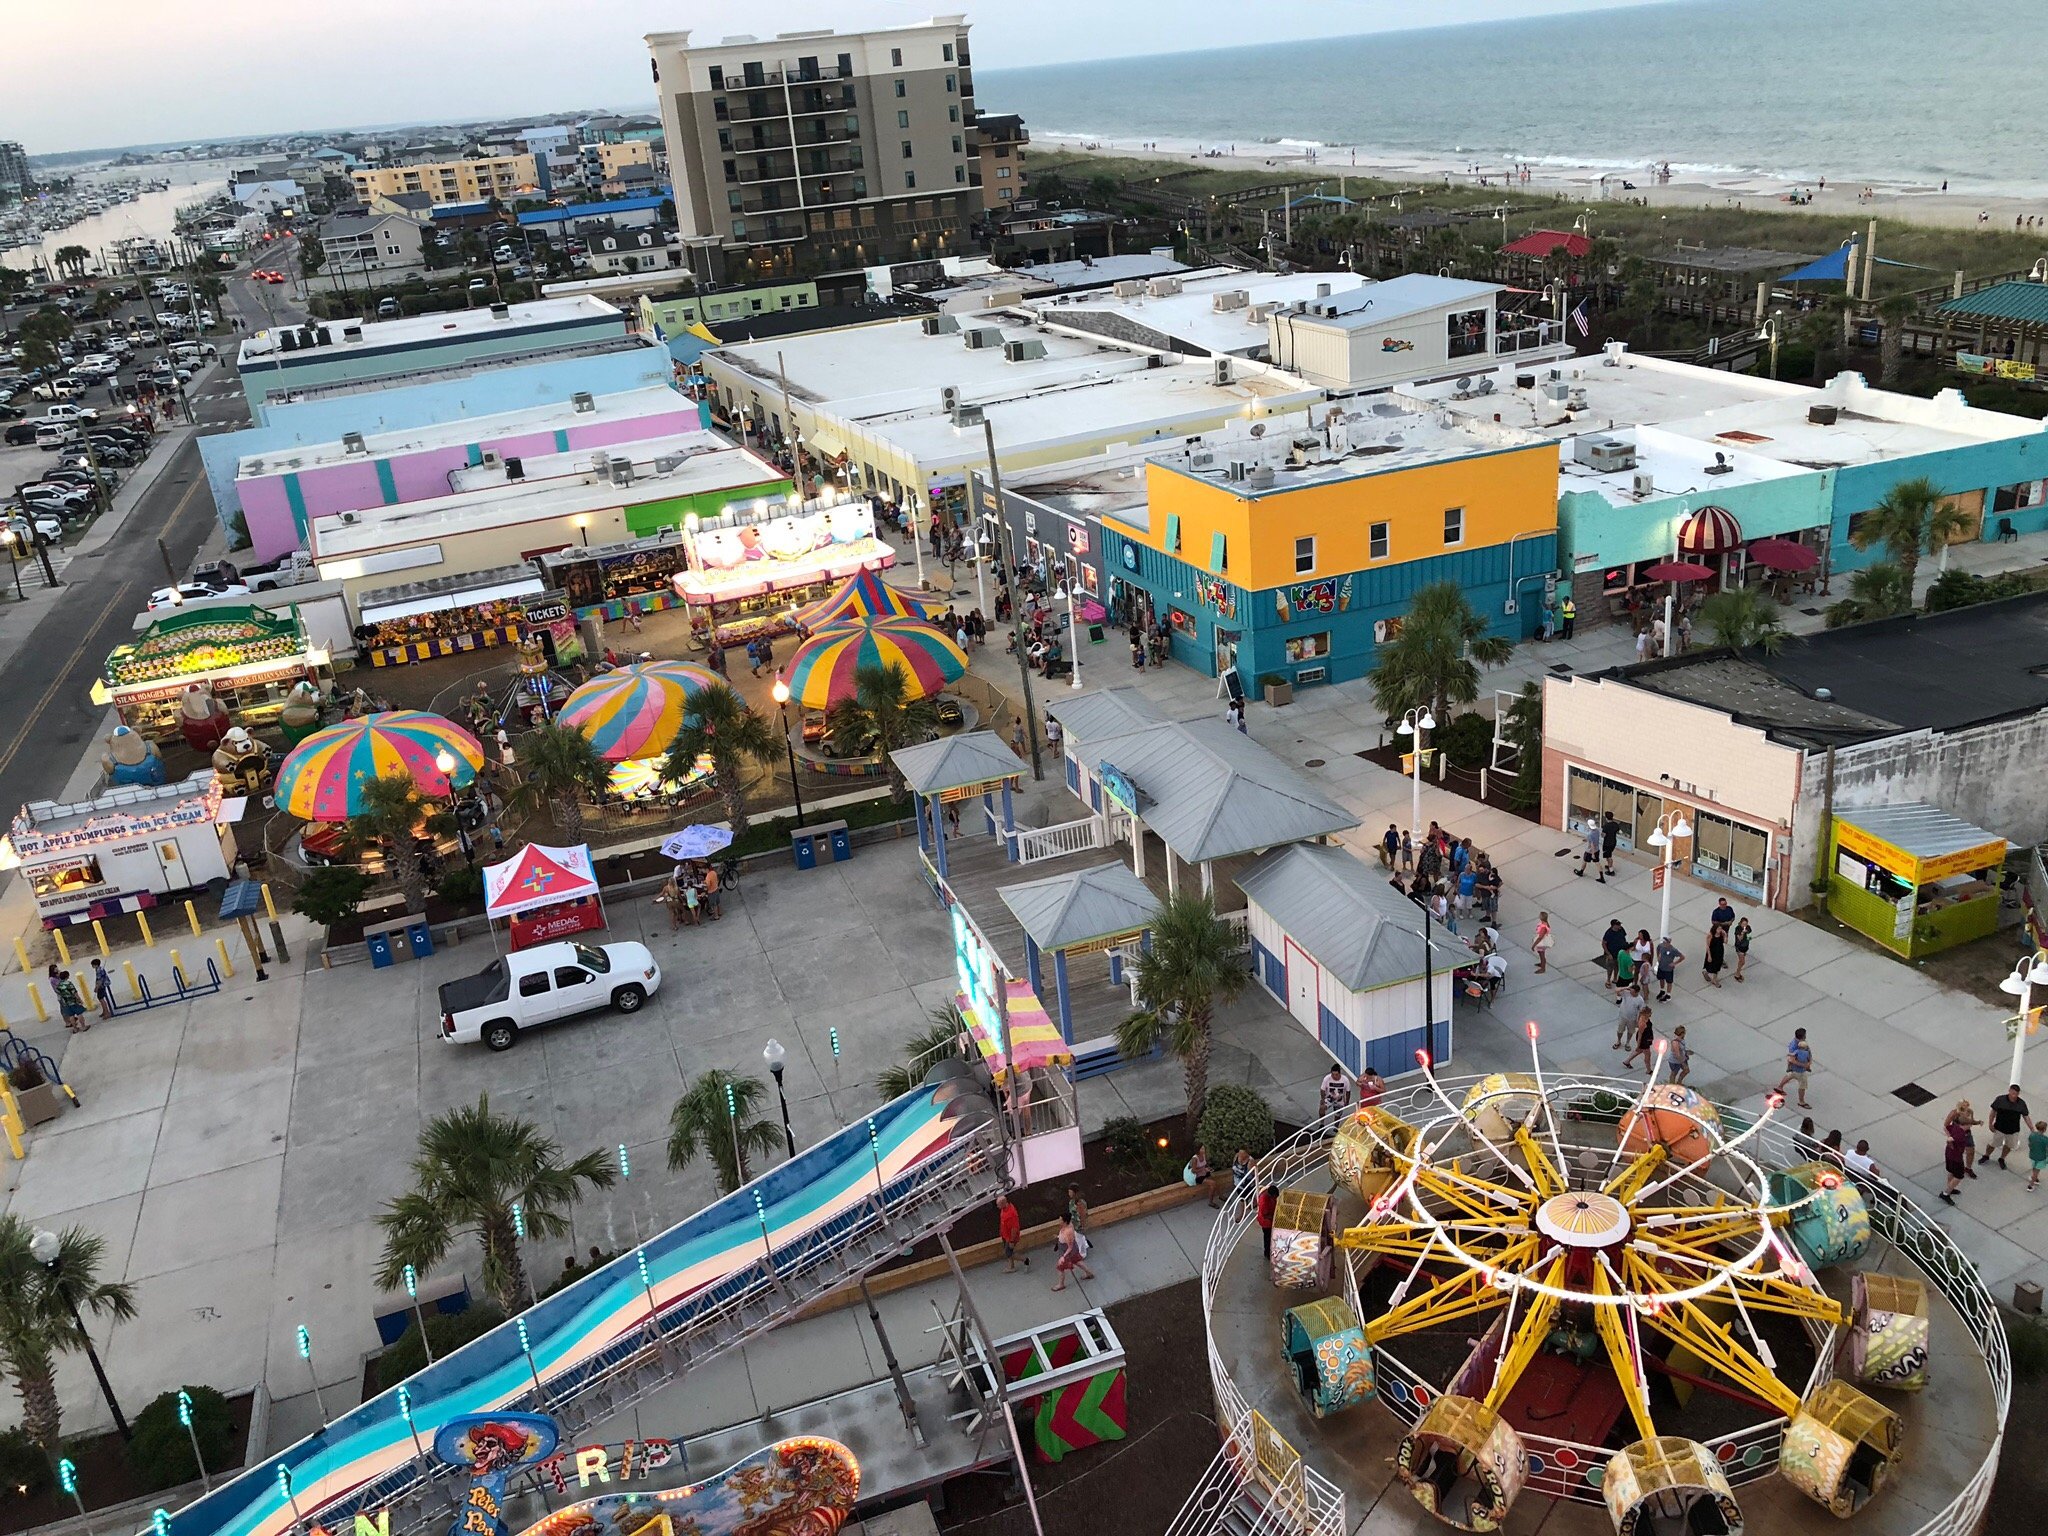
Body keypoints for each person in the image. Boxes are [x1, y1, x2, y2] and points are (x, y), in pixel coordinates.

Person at [1983, 1084, 2030, 1168]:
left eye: (2016, 1094)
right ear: (2009, 1091)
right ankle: (1986, 1155)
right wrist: (1990, 1124)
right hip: (1999, 1128)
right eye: (2013, 1093)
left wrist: (2032, 1129)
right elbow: (1993, 1112)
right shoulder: (2000, 1100)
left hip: (2013, 1130)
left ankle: (2002, 1158)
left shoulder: (2021, 1104)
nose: (2014, 1096)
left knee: (2009, 1146)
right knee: (1992, 1144)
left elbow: (2026, 1117)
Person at [1941, 1102, 1978, 1203]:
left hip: (1949, 1154)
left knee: (1951, 1172)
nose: (1971, 1125)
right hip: (1956, 1157)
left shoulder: (1955, 1127)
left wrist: (1950, 1141)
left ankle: (1950, 1188)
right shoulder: (1961, 1134)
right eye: (1970, 1123)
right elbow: (1950, 1140)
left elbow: (1947, 1129)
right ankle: (1946, 1193)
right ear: (1965, 1124)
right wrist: (1950, 1142)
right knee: (1959, 1176)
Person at [1050, 1215, 1093, 1290]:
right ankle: (1089, 1273)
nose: (1058, 1221)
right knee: (1077, 1261)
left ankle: (1061, 1284)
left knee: (1060, 1268)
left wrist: (1063, 1257)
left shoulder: (1067, 1232)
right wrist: (1058, 1237)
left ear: (1065, 1222)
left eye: (1060, 1220)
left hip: (1067, 1251)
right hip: (1070, 1250)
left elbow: (1070, 1246)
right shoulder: (1068, 1226)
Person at [1774, 1028, 1814, 1109]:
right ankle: (1801, 1101)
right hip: (1798, 1069)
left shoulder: (1799, 1043)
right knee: (1802, 1085)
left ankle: (1780, 1087)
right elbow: (1791, 1059)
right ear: (1802, 1037)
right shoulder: (1794, 1046)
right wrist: (1804, 1065)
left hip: (1794, 1069)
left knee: (1789, 1075)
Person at [1623, 1005, 1657, 1072]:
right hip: (1644, 1040)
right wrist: (1638, 1045)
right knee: (1648, 1054)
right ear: (1646, 1014)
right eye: (1650, 1013)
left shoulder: (1644, 1017)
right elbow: (1640, 1035)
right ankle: (1649, 1070)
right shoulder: (1643, 1023)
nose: (1651, 1014)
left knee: (1640, 1051)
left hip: (1647, 1037)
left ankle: (1627, 1061)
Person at [998, 1194, 1027, 1270]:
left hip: (1010, 1237)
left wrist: (1011, 1241)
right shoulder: (1004, 1209)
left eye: (998, 1205)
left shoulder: (1011, 1214)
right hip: (1005, 1235)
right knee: (1008, 1252)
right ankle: (1011, 1267)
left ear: (1003, 1203)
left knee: (1008, 1253)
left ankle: (1025, 1260)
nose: (997, 1207)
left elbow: (1014, 1228)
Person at [1614, 982, 1645, 1050]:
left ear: (1637, 992)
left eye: (1632, 992)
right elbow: (1616, 990)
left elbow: (1641, 1011)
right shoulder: (1626, 993)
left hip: (1632, 1019)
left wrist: (1639, 1021)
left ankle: (1627, 1043)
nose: (1631, 993)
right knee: (1620, 1030)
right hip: (1623, 1016)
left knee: (1630, 1031)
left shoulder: (1640, 1000)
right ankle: (1618, 1041)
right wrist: (1626, 988)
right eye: (1630, 991)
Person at [1653, 935, 1683, 1002]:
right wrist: (1658, 956)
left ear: (1669, 942)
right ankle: (1662, 990)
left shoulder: (1673, 950)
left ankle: (1668, 995)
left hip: (1668, 969)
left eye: (1665, 942)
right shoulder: (1661, 946)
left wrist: (1674, 963)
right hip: (1661, 967)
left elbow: (1682, 957)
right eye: (1663, 941)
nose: (1663, 943)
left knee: (1669, 982)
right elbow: (1657, 949)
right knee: (1661, 979)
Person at [1600, 919, 1628, 988]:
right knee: (1610, 967)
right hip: (1612, 954)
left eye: (1620, 924)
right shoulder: (1609, 933)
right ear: (1614, 926)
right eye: (1618, 925)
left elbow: (1624, 938)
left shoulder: (1621, 930)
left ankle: (1615, 978)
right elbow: (1604, 944)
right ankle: (1608, 980)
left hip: (1620, 953)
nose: (1619, 926)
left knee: (1617, 966)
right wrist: (1608, 954)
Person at [1256, 1183, 1279, 1259]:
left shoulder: (1269, 1194)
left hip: (1270, 1219)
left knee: (1269, 1237)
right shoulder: (1264, 1201)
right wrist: (1275, 1218)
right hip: (1266, 1223)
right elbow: (1265, 1215)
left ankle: (1269, 1251)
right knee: (1267, 1238)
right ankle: (1267, 1253)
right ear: (1271, 1195)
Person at [1600, 810, 1621, 877]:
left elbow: (1603, 835)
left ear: (1606, 818)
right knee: (1609, 855)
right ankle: (1609, 866)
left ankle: (1611, 870)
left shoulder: (1606, 826)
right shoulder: (1615, 825)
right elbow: (1617, 831)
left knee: (1609, 857)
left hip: (1607, 843)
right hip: (1613, 842)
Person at [1732, 917, 1752, 981]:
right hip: (1739, 947)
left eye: (1746, 924)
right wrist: (1743, 933)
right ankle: (1737, 974)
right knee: (1742, 962)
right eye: (1743, 924)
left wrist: (1748, 935)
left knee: (1741, 960)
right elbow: (1739, 939)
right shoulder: (1738, 929)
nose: (1745, 926)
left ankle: (1738, 971)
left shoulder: (1748, 927)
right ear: (1741, 923)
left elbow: (1749, 937)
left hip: (1745, 946)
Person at [2031, 1121, 2048, 1192]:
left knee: (2034, 1167)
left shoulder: (2032, 1135)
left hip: (2033, 1154)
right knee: (2037, 1171)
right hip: (2041, 1157)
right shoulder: (2045, 1139)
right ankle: (2031, 1185)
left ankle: (2035, 1178)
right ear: (2044, 1129)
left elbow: (2029, 1144)